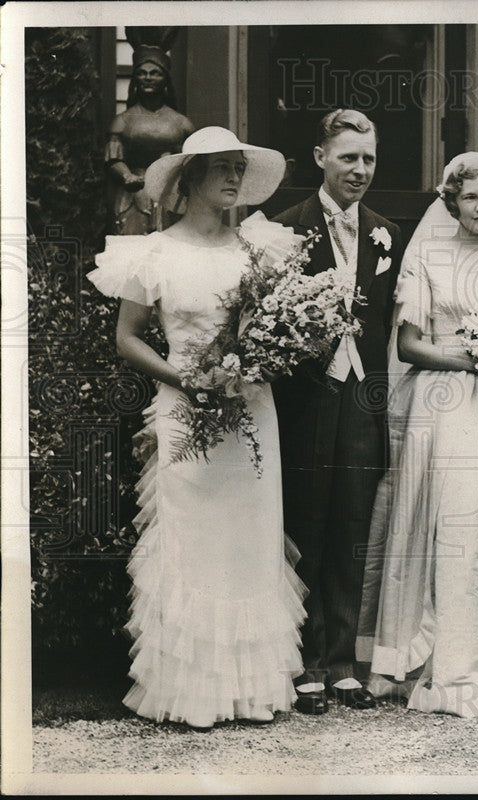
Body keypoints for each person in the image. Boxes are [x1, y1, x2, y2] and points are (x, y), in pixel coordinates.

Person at [88, 126, 305, 730]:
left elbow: (275, 330)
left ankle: (252, 690)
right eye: (222, 169)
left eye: (239, 168)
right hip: (184, 412)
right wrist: (184, 379)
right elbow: (126, 337)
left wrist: (258, 358)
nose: (234, 179)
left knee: (248, 541)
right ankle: (188, 689)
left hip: (250, 412)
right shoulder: (154, 252)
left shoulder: (258, 248)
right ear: (190, 180)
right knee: (190, 541)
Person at [355, 152, 478, 718]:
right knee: (452, 517)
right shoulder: (429, 263)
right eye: (471, 197)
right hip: (445, 403)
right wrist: (469, 359)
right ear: (451, 203)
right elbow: (408, 345)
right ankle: (438, 656)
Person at [271, 109, 403, 714]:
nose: (360, 169)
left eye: (369, 158)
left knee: (353, 523)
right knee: (307, 522)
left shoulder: (384, 232)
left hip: (361, 395)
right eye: (348, 156)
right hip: (306, 395)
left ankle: (344, 661)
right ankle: (305, 661)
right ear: (321, 156)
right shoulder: (283, 229)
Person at [105, 28, 194, 235]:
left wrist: (172, 164)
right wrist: (127, 176)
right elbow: (112, 159)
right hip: (133, 195)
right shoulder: (122, 121)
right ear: (135, 78)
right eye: (142, 73)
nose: (148, 77)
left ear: (165, 79)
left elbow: (190, 163)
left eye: (155, 73)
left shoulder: (181, 124)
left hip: (171, 195)